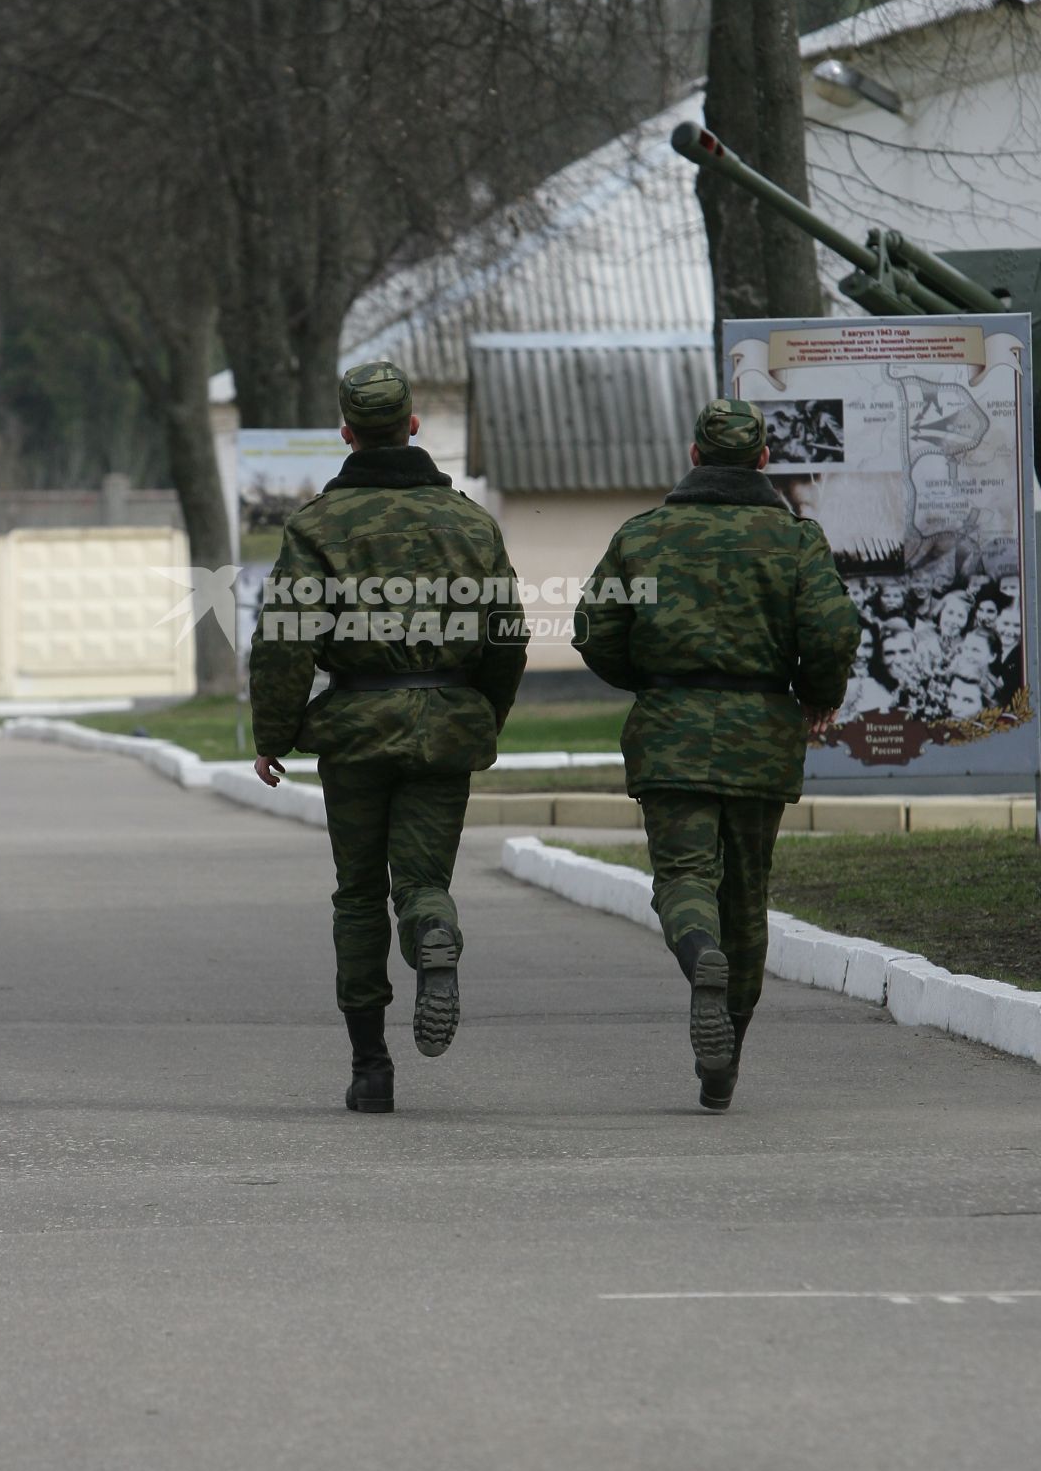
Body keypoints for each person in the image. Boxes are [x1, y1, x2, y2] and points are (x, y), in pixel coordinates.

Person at [248, 360, 528, 1114]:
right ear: (412, 427)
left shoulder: (317, 526)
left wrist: (272, 733)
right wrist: (480, 719)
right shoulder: (472, 523)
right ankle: (435, 931)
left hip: (356, 735)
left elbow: (285, 640)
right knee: (422, 881)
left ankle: (371, 1067)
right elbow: (506, 637)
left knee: (359, 894)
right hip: (447, 726)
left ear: (346, 433)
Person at [573, 397, 860, 1112]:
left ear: (695, 458)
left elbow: (594, 630)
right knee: (748, 897)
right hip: (761, 735)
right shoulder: (797, 542)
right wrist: (817, 693)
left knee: (684, 877)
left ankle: (699, 954)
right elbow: (831, 631)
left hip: (671, 732)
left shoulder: (643, 535)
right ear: (764, 461)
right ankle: (725, 1051)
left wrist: (653, 682)